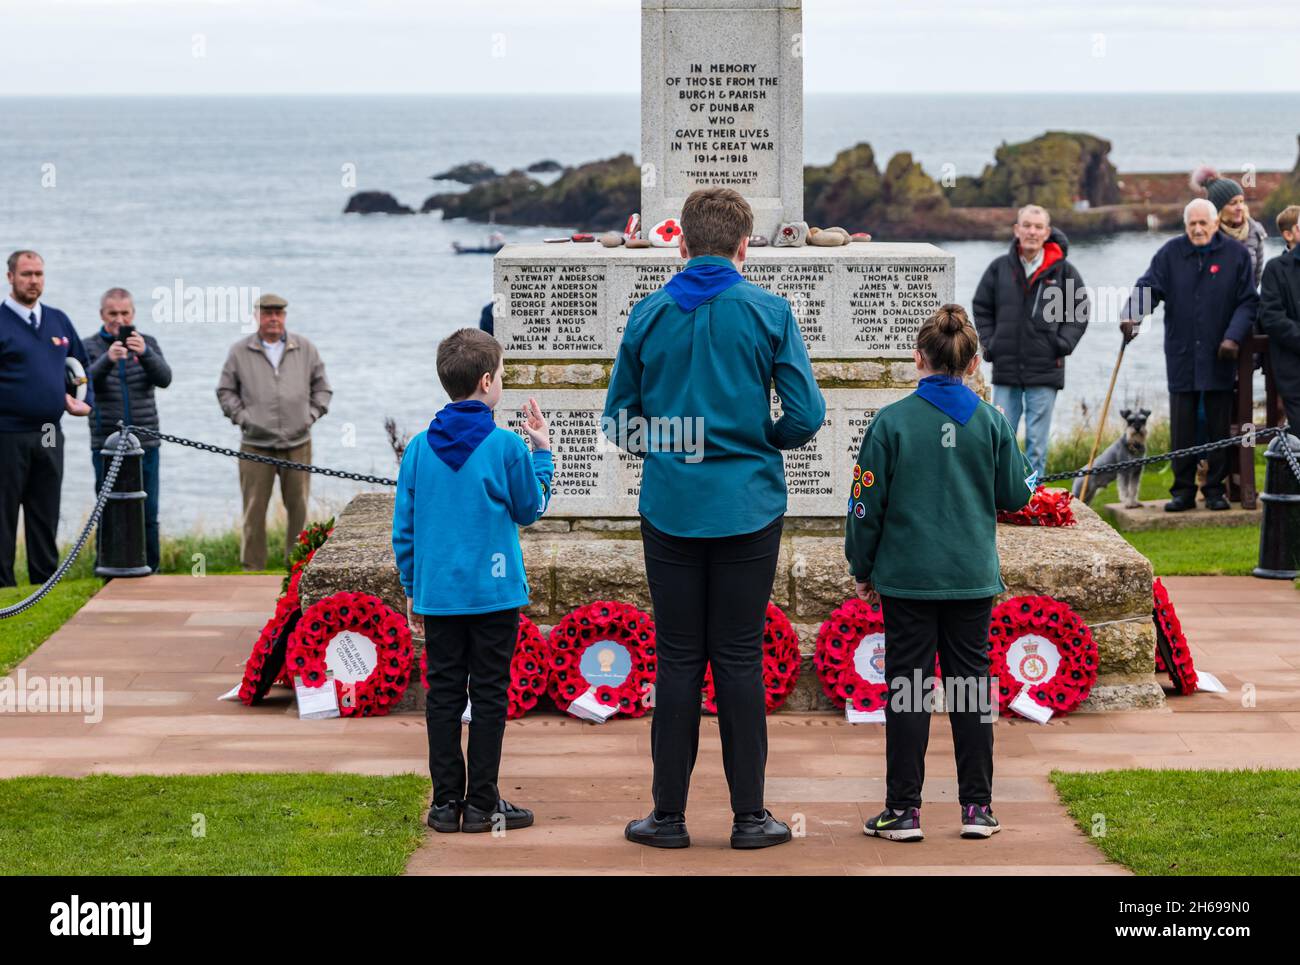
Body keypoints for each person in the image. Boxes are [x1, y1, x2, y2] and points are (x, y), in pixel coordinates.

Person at [603, 186, 826, 850]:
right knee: (738, 659)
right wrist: (759, 441)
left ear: (681, 243)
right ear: (742, 246)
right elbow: (807, 415)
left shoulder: (647, 314)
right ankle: (750, 817)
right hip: (747, 505)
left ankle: (667, 818)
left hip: (671, 505)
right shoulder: (769, 312)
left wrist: (674, 447)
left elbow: (620, 421)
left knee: (676, 660)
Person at [845, 304, 1034, 843]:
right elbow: (1015, 495)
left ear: (917, 358)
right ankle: (977, 809)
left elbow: (864, 507)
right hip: (971, 575)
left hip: (907, 577)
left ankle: (903, 811)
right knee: (972, 687)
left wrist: (862, 566)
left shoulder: (890, 422)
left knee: (907, 687)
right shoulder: (993, 422)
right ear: (974, 365)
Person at [392, 327, 553, 834]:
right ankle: (482, 803)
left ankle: (445, 804)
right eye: (502, 374)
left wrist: (414, 587)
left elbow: (405, 528)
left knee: (442, 695)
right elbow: (531, 508)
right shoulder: (506, 446)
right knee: (488, 695)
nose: (502, 380)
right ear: (487, 382)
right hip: (493, 595)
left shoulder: (418, 448)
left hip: (439, 596)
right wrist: (543, 453)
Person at [1120, 199, 1258, 512]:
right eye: (1192, 224)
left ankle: (1213, 491)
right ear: (1186, 226)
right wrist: (1133, 314)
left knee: (1216, 425)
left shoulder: (1236, 255)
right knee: (1182, 427)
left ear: (1214, 223)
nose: (1197, 229)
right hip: (1182, 354)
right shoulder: (1170, 254)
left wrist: (1233, 336)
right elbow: (1148, 286)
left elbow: (1248, 302)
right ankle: (1182, 491)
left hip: (1219, 354)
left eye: (1203, 223)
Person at [972, 204, 1089, 481]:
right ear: (1017, 230)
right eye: (1027, 225)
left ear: (1047, 232)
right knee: (1002, 438)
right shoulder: (999, 268)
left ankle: (1032, 498)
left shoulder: (1064, 272)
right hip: (1006, 368)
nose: (1032, 232)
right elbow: (981, 307)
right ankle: (1001, 498)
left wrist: (1063, 344)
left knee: (1037, 444)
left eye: (1038, 227)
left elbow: (1079, 311)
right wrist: (990, 344)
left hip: (1046, 369)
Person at [216, 293, 331, 569]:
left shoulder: (304, 348)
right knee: (253, 510)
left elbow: (323, 388)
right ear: (257, 316)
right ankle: (252, 567)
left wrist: (310, 416)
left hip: (298, 442)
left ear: (285, 316)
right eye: (267, 313)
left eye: (278, 313)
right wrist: (243, 418)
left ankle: (298, 566)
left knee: (299, 509)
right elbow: (225, 390)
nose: (273, 318)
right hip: (255, 444)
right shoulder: (240, 351)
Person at [0, 250, 93, 589]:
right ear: (10, 277)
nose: (33, 280)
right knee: (3, 513)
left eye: (38, 273)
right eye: (26, 274)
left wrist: (86, 402)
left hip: (50, 432)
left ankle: (44, 584)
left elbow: (80, 368)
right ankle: (4, 588)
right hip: (7, 433)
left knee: (45, 510)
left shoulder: (58, 320)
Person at [84, 288, 172, 572]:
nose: (119, 320)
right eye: (113, 314)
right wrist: (108, 359)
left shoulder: (148, 343)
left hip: (146, 443)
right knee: (108, 509)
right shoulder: (90, 347)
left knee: (148, 511)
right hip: (105, 444)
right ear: (102, 315)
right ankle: (107, 567)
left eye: (125, 313)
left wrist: (144, 353)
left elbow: (165, 378)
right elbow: (83, 384)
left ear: (133, 315)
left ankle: (150, 568)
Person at [1259, 205, 1300, 435]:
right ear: (1289, 234)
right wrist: (1134, 315)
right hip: (1293, 370)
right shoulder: (1275, 270)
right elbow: (1272, 318)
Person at [1192, 167, 1268, 288]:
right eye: (1233, 203)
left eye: (1241, 201)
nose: (1240, 207)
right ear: (1219, 210)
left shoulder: (1255, 232)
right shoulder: (1203, 237)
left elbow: (1256, 280)